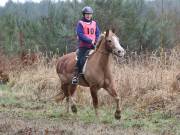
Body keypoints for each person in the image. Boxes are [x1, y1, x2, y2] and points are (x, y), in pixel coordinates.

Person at [72, 6, 100, 84]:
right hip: (83, 46)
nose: (88, 16)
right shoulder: (80, 23)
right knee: (80, 59)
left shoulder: (94, 23)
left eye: (90, 14)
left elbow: (97, 33)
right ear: (84, 14)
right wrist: (89, 40)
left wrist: (96, 41)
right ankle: (76, 76)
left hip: (93, 45)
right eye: (87, 14)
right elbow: (80, 34)